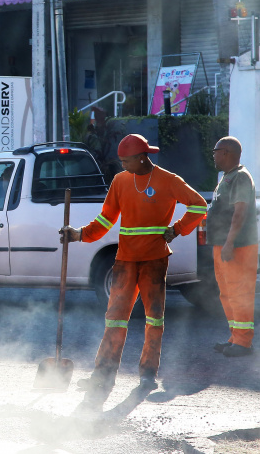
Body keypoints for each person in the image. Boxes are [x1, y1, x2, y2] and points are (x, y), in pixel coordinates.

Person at [60, 134, 207, 406]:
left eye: (126, 161)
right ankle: (102, 375)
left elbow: (199, 204)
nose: (123, 165)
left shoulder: (169, 180)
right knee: (114, 319)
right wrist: (79, 234)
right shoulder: (120, 181)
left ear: (142, 157)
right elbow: (106, 218)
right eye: (122, 161)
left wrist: (177, 229)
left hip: (154, 261)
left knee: (154, 319)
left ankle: (148, 374)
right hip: (125, 260)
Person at [207, 136, 258, 358]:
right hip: (222, 245)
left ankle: (243, 343)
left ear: (226, 152)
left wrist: (229, 242)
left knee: (240, 293)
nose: (214, 155)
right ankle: (235, 337)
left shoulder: (241, 177)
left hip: (237, 246)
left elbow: (240, 212)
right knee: (227, 293)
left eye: (215, 151)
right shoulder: (227, 177)